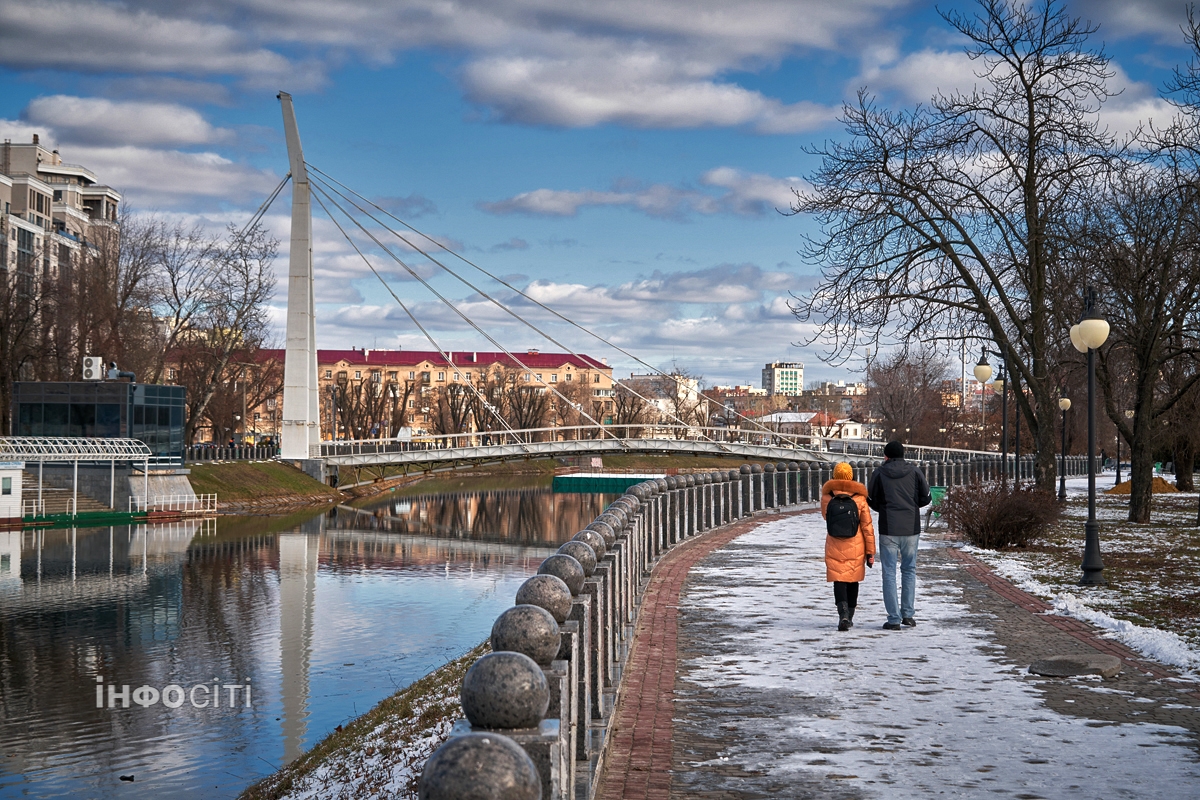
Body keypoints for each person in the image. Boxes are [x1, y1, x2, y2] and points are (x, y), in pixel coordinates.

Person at [867, 441, 931, 630]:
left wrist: (886, 509)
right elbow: (926, 498)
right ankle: (908, 615)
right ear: (903, 454)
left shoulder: (879, 473)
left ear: (886, 456)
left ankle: (893, 619)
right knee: (909, 570)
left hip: (888, 527)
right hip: (911, 528)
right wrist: (911, 508)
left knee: (889, 572)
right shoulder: (915, 471)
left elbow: (872, 499)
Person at [820, 461, 876, 631]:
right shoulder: (859, 498)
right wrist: (870, 552)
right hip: (856, 544)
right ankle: (849, 615)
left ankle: (842, 613)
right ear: (851, 476)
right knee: (852, 580)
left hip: (834, 542)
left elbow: (825, 517)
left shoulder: (827, 497)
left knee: (839, 579)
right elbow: (867, 527)